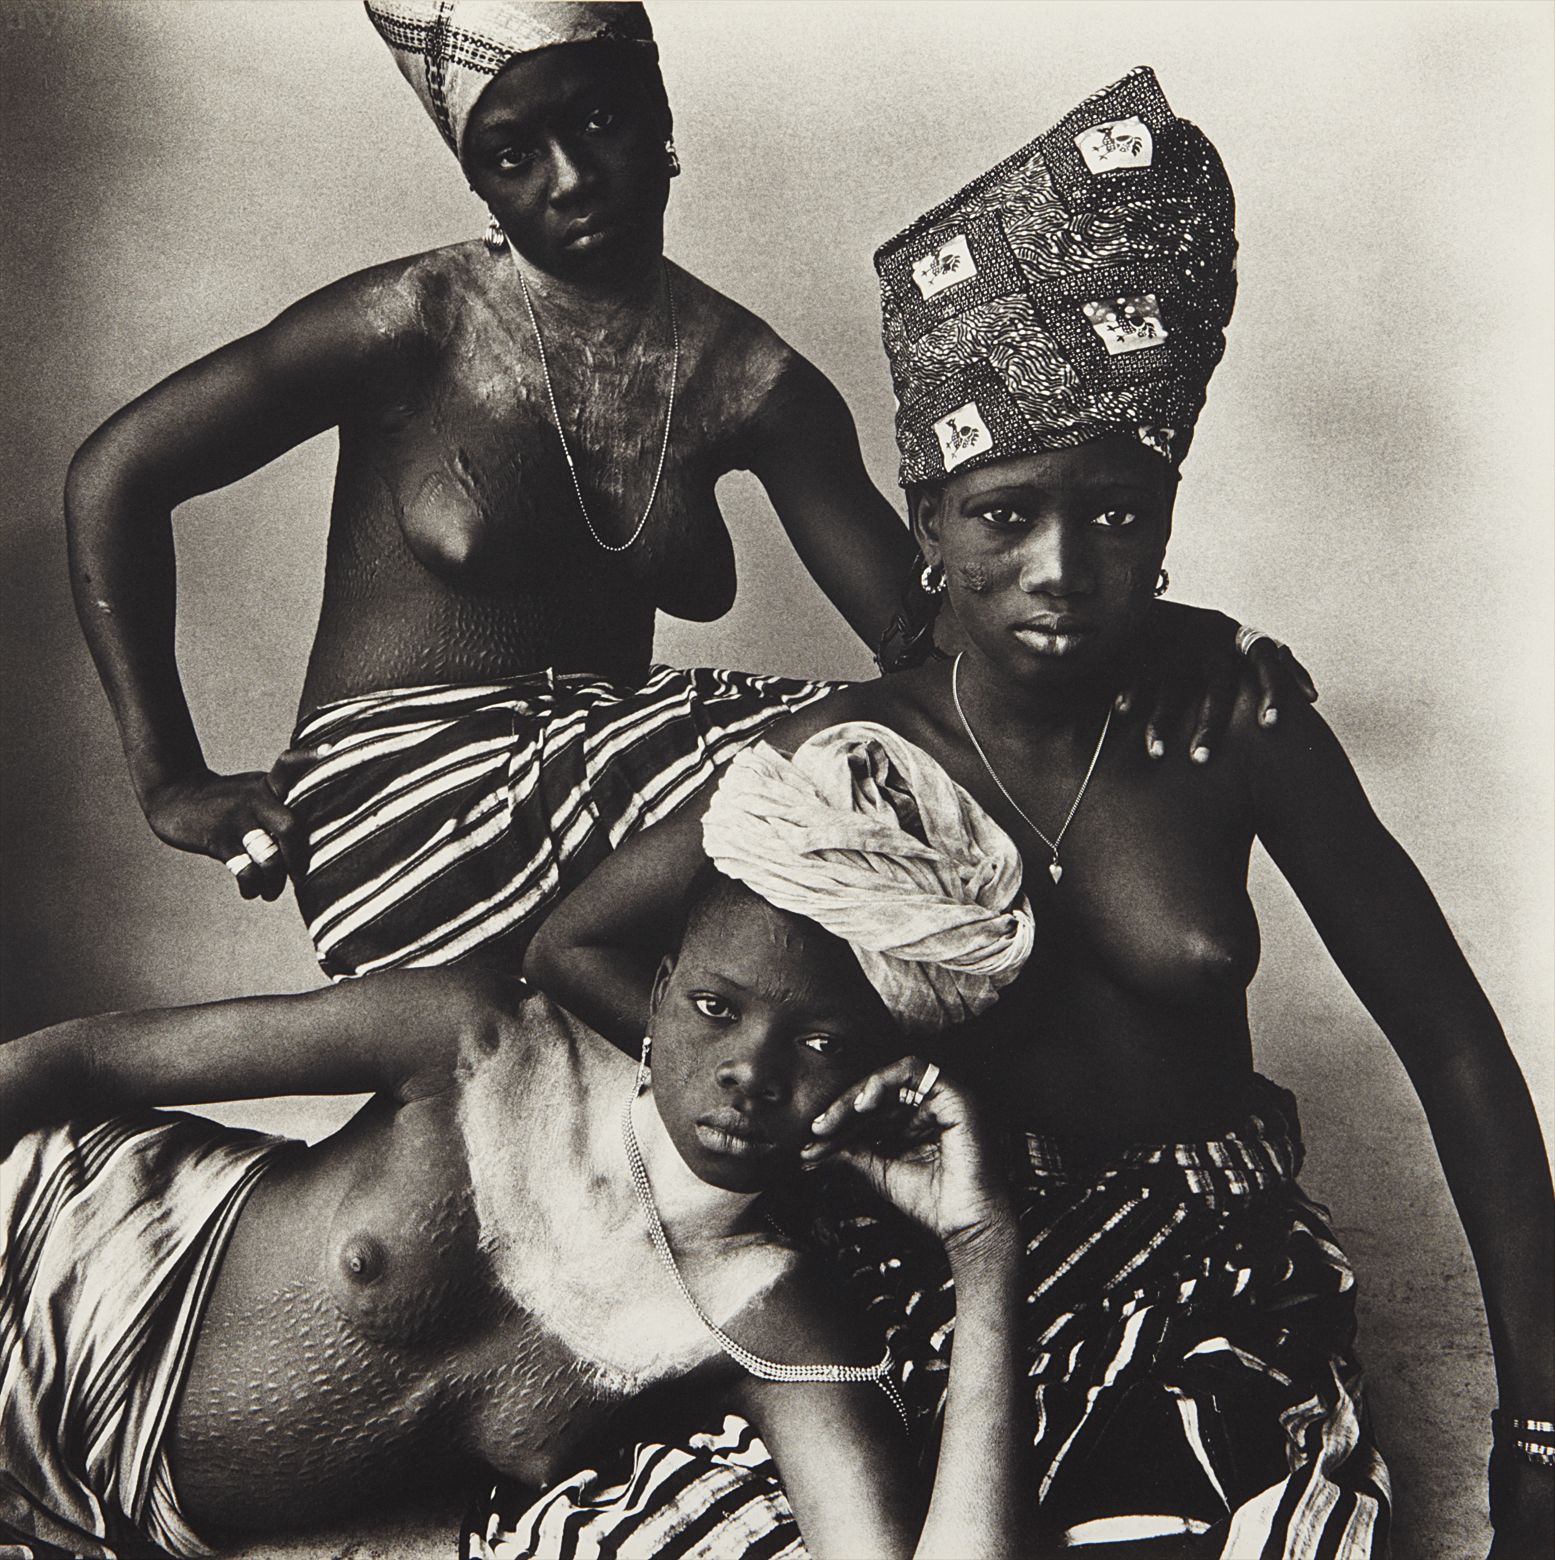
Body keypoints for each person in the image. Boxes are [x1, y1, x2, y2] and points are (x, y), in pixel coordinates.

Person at [510, 67, 1554, 1558]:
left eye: (1116, 515)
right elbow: (572, 946)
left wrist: (1536, 1431)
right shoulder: (855, 757)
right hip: (947, 1261)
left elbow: (1453, 1048)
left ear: (1164, 524)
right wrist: (818, 1122)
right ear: (927, 524)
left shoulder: (1227, 720)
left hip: (1207, 1273)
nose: (1062, 570)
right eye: (1005, 514)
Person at [63, 0, 1305, 980]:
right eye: (513, 155)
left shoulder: (750, 379)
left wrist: (1164, 634)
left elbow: (923, 636)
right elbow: (117, 472)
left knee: (903, 752)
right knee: (839, 762)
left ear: (660, 123)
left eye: (599, 122)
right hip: (401, 806)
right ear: (481, 182)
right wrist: (170, 780)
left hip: (612, 799)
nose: (569, 178)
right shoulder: (414, 320)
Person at [2, 724, 1048, 1560]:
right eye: (714, 1007)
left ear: (885, 1071)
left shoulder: (775, 1323)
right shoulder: (483, 1040)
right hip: (42, 1247)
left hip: (92, 1499)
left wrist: (984, 1246)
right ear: (662, 984)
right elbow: (82, 1062)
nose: (749, 1072)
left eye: (822, 1043)